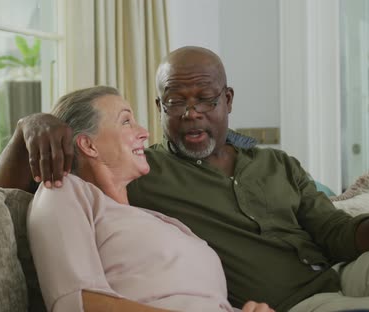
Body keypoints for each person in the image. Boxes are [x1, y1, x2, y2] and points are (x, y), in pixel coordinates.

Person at [0, 46, 369, 312]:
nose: (190, 115)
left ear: (227, 100)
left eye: (204, 100)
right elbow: (11, 195)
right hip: (293, 304)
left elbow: (336, 235)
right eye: (173, 103)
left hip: (341, 274)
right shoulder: (141, 171)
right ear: (161, 106)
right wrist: (28, 128)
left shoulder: (278, 164)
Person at [26, 86, 273, 312]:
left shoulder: (153, 218)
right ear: (88, 145)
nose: (144, 133)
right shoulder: (64, 189)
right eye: (126, 121)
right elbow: (76, 302)